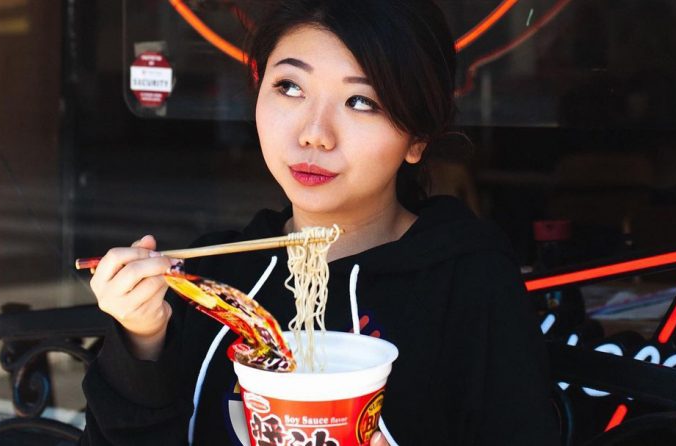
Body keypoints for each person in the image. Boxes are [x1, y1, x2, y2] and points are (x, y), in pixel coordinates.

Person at [80, 1, 560, 444]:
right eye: (290, 87)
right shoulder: (218, 282)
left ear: (417, 139)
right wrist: (142, 338)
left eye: (361, 102)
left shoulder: (468, 279)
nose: (315, 134)